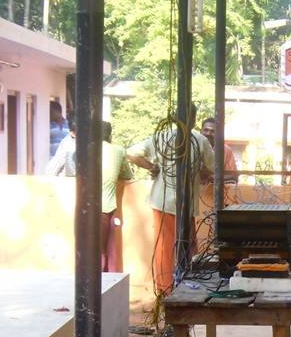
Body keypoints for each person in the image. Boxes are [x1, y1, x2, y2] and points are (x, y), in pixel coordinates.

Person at [126, 104, 213, 294]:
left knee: (166, 248)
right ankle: (183, 288)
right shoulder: (199, 140)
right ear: (193, 119)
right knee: (185, 247)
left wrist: (151, 167)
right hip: (181, 203)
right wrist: (202, 171)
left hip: (164, 202)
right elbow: (214, 166)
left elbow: (131, 153)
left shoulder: (162, 136)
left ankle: (165, 290)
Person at [100, 121, 134, 272]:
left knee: (94, 250)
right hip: (109, 206)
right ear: (110, 135)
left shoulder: (85, 150)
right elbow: (127, 174)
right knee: (110, 249)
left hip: (88, 208)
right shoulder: (118, 150)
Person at [198, 117, 238, 184]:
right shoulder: (193, 147)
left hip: (216, 192)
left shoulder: (226, 150)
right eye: (206, 130)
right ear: (201, 131)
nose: (208, 133)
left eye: (213, 131)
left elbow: (233, 176)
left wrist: (212, 177)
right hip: (194, 191)